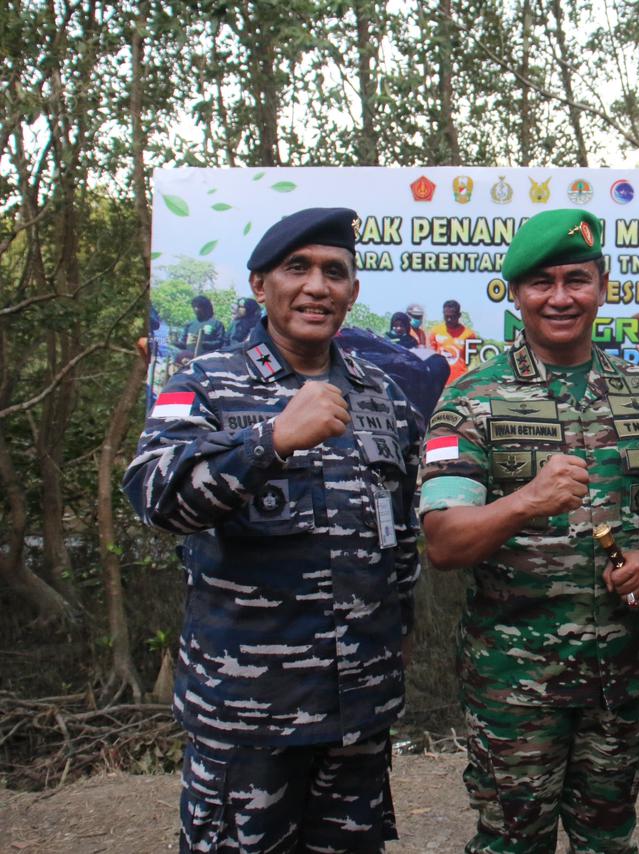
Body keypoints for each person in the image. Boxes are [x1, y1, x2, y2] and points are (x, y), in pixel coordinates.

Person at [123, 208, 422, 853]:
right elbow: (154, 498)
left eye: (334, 273)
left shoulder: (385, 398)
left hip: (357, 712)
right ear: (261, 286)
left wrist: (400, 630)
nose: (317, 286)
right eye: (297, 269)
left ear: (353, 293)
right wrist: (271, 441)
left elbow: (400, 536)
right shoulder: (200, 384)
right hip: (249, 714)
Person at [419, 208, 639, 853]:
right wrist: (525, 502)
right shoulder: (471, 400)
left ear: (603, 284)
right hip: (516, 681)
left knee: (608, 840)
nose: (561, 297)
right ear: (515, 294)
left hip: (621, 674)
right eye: (542, 283)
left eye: (578, 279)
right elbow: (444, 542)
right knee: (513, 843)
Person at [426, 298, 479, 384]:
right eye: (446, 316)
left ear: (459, 315)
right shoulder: (435, 332)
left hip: (460, 382)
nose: (449, 319)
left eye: (452, 316)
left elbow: (472, 360)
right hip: (439, 380)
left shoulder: (469, 334)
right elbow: (431, 357)